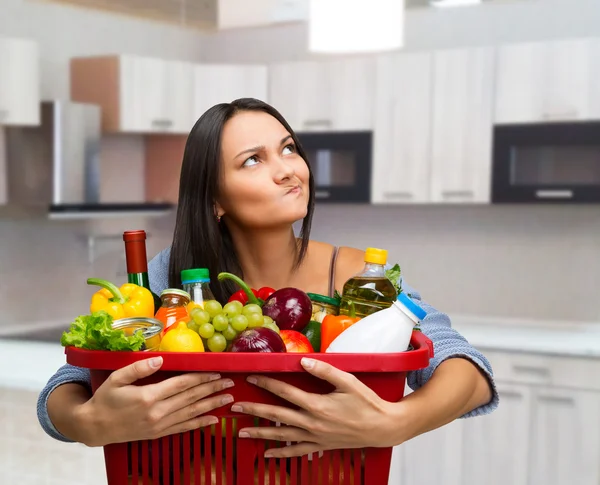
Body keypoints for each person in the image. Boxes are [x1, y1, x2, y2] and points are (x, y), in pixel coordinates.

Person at [38, 98, 498, 458]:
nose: (287, 170)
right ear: (215, 199)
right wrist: (89, 424)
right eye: (253, 160)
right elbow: (66, 386)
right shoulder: (172, 276)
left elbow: (467, 369)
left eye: (288, 148)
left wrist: (398, 422)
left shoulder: (359, 278)